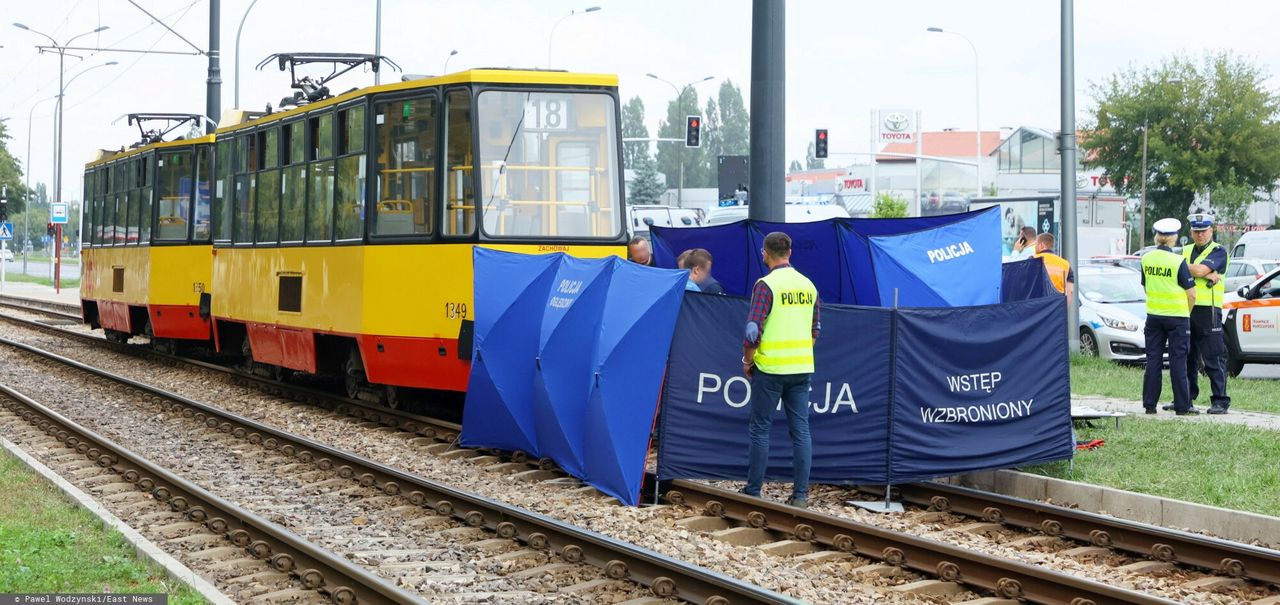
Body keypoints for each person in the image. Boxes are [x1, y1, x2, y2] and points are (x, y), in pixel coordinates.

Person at [741, 232, 820, 508]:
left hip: (771, 367)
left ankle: (753, 491)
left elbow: (753, 332)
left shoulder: (766, 285)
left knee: (760, 429)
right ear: (790, 252)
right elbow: (815, 330)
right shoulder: (808, 285)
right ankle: (800, 495)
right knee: (801, 430)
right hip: (801, 368)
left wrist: (748, 361)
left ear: (765, 253)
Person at [1164, 213, 1230, 414]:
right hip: (1185, 308)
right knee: (1186, 357)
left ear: (1211, 231)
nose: (1200, 235)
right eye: (1197, 231)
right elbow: (1176, 268)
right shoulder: (1184, 250)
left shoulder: (1218, 251)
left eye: (1204, 231)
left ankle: (1220, 400)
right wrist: (1200, 271)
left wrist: (1192, 270)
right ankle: (1185, 399)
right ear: (1191, 232)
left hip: (1208, 311)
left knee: (1213, 357)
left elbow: (1198, 271)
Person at [1142, 218, 1198, 415]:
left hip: (1154, 317)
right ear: (1174, 238)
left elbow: (1146, 286)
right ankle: (1182, 407)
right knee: (1178, 361)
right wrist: (1186, 313)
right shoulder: (1178, 261)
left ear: (1157, 237)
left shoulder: (1146, 259)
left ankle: (1149, 405)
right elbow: (1191, 293)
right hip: (1177, 318)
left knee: (1153, 360)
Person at [1033, 233, 1075, 299]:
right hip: (1057, 305)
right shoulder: (1065, 264)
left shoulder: (1033, 259)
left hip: (1038, 304)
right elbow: (1070, 291)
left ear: (1042, 245)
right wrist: (1064, 307)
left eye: (1035, 245)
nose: (1034, 248)